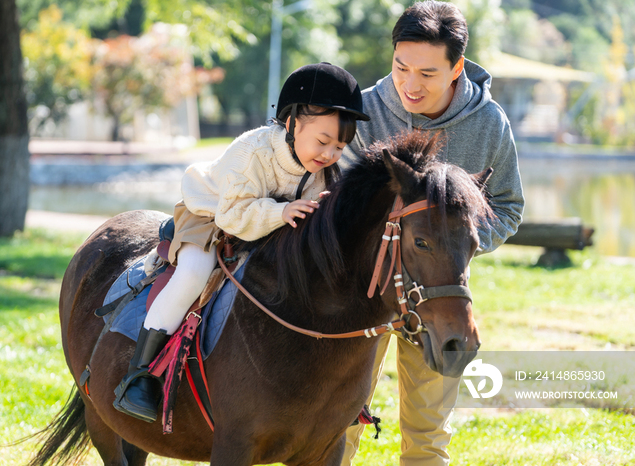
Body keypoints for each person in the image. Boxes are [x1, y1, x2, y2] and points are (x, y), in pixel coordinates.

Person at [113, 62, 370, 423]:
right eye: (323, 141)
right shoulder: (251, 152)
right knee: (193, 275)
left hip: (265, 225)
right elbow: (232, 215)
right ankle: (138, 375)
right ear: (294, 123)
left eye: (340, 147)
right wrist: (281, 214)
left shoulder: (321, 170)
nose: (329, 154)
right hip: (210, 216)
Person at [341, 1, 524, 465]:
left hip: (438, 294)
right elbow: (334, 200)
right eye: (401, 67)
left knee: (427, 436)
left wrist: (452, 246)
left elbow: (507, 205)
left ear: (457, 67)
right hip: (359, 291)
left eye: (426, 73)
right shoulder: (362, 111)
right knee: (335, 424)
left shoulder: (489, 124)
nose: (410, 84)